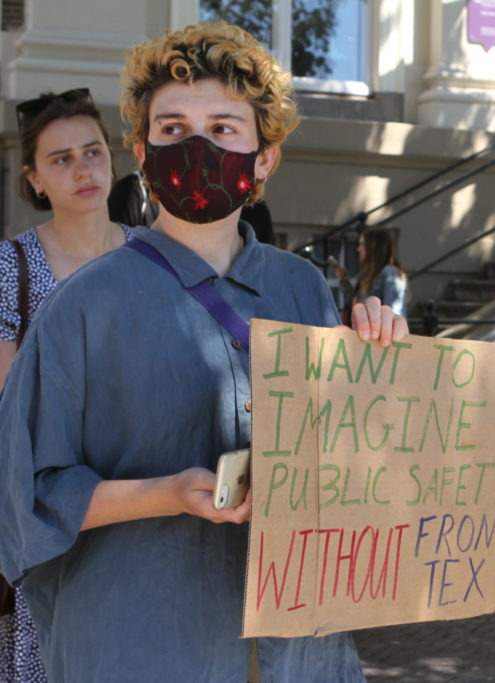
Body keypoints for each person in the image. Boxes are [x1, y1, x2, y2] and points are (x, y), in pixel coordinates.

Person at [0, 22, 406, 682]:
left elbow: (353, 467)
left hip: (298, 653)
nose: (195, 145)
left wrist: (384, 365)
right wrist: (164, 492)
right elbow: (22, 497)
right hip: (143, 647)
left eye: (223, 128)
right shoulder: (82, 307)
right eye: (171, 129)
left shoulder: (302, 287)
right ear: (141, 150)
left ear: (264, 156)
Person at [0, 87, 135, 683]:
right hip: (54, 514)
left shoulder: (155, 256)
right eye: (61, 159)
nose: (84, 169)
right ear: (34, 179)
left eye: (94, 152)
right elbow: (15, 407)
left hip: (151, 502)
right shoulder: (12, 267)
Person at [335, 225, 409, 320]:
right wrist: (343, 280)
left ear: (373, 247)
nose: (358, 249)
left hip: (381, 333)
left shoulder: (390, 273)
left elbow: (393, 314)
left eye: (362, 244)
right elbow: (354, 302)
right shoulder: (367, 274)